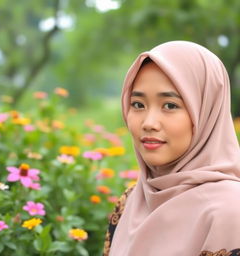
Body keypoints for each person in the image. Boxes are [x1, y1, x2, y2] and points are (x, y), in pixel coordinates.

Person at [103, 41, 240, 256]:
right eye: (138, 104)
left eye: (170, 105)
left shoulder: (230, 211)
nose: (149, 123)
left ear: (206, 112)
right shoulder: (131, 201)